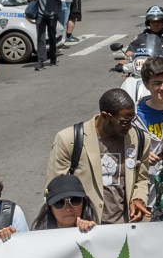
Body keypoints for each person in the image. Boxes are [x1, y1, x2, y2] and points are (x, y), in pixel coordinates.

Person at [45, 89, 153, 224]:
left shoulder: (140, 139)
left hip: (126, 226)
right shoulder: (69, 139)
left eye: (133, 120)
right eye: (124, 122)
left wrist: (138, 198)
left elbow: (141, 179)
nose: (130, 126)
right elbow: (55, 189)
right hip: (85, 228)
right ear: (105, 116)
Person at [28, 0, 62, 71]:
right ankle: (41, 61)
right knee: (41, 38)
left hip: (52, 15)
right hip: (40, 15)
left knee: (52, 37)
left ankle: (53, 58)